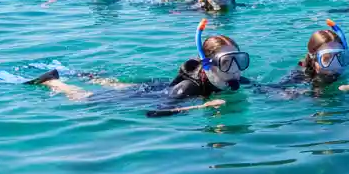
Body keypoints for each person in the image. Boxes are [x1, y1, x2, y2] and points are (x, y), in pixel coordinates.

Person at [20, 19, 250, 115]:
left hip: (160, 87)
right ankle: (53, 81)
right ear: (209, 64)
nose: (235, 68)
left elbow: (261, 88)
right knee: (86, 99)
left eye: (238, 60)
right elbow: (155, 113)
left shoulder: (232, 77)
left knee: (124, 86)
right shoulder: (187, 89)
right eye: (227, 62)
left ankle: (93, 76)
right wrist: (202, 106)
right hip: (157, 97)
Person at [271, 20, 349, 95]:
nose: (335, 65)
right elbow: (271, 90)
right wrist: (298, 93)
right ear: (314, 59)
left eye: (339, 56)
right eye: (326, 59)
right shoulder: (302, 75)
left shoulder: (347, 69)